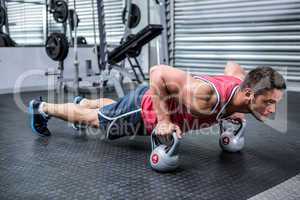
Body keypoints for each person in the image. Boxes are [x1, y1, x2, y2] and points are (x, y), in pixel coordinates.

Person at [28, 61, 286, 140]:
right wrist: (163, 120)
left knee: (111, 110)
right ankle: (42, 107)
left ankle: (83, 102)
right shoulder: (205, 96)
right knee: (95, 121)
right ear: (250, 94)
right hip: (143, 110)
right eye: (270, 102)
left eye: (275, 103)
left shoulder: (241, 87)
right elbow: (158, 72)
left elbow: (234, 67)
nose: (273, 110)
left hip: (144, 99)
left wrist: (239, 111)